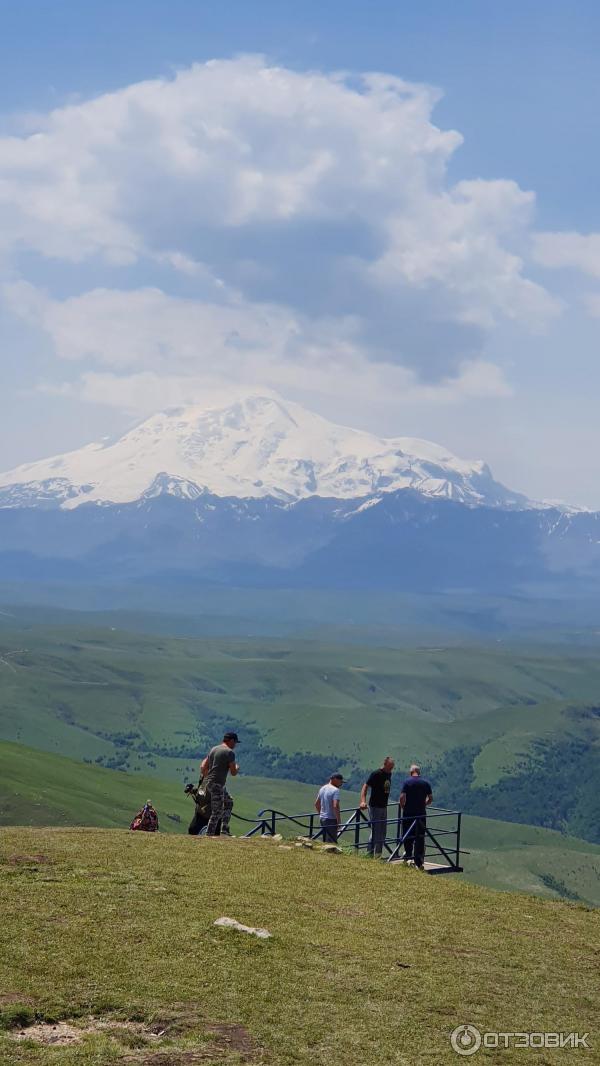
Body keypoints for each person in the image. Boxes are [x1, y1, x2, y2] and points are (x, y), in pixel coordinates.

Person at [200, 731, 240, 836]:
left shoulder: (214, 749)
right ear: (231, 741)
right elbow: (233, 772)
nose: (235, 745)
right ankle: (209, 834)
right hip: (217, 784)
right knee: (217, 811)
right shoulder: (230, 753)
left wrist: (208, 777)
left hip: (210, 783)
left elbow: (203, 766)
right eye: (235, 742)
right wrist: (237, 767)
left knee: (229, 802)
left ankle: (224, 829)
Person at [360, 756, 395, 857]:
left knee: (383, 832)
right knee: (376, 831)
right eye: (390, 766)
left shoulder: (389, 774)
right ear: (385, 764)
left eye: (392, 767)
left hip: (383, 806)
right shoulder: (376, 774)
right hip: (375, 806)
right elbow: (365, 786)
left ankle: (378, 855)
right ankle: (369, 854)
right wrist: (363, 801)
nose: (391, 769)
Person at [399, 764, 433, 869]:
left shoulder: (407, 782)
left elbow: (402, 797)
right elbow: (430, 798)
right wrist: (424, 804)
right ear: (419, 772)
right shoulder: (426, 783)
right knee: (420, 837)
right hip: (421, 814)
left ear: (411, 772)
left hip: (408, 814)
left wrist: (403, 806)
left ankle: (408, 857)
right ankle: (418, 861)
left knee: (407, 835)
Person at [315, 773, 343, 842]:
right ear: (335, 779)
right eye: (341, 782)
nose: (341, 784)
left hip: (323, 818)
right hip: (331, 819)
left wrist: (321, 814)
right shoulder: (335, 790)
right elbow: (335, 806)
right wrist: (339, 821)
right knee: (331, 841)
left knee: (325, 839)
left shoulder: (322, 788)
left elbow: (316, 804)